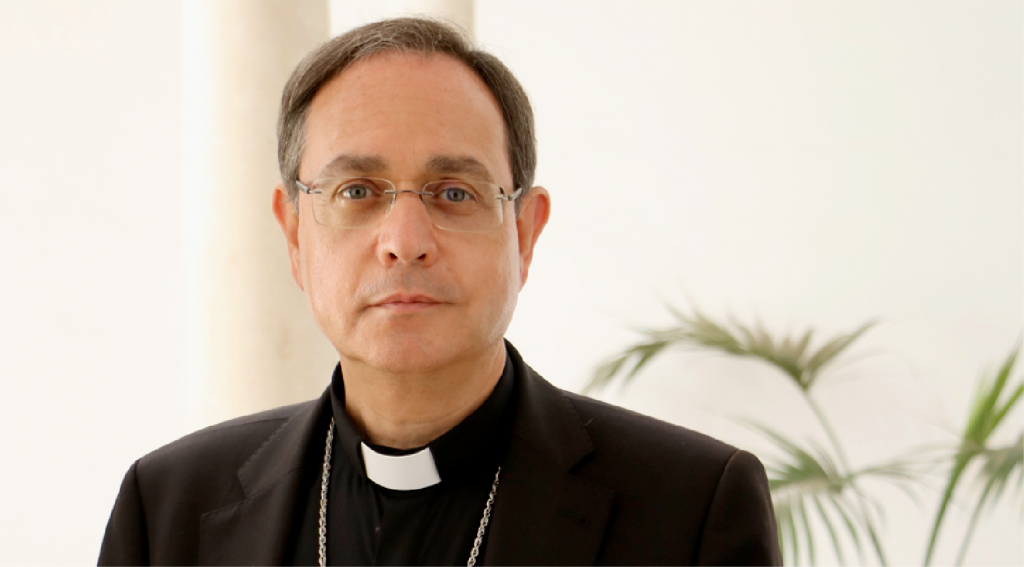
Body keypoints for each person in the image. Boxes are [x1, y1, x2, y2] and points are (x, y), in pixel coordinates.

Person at [99, 17, 781, 567]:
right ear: (295, 234)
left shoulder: (691, 510)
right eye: (356, 192)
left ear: (524, 232)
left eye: (454, 192)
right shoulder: (167, 510)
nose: (404, 240)